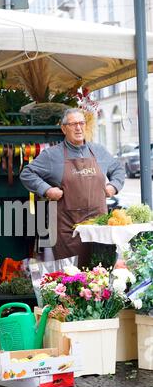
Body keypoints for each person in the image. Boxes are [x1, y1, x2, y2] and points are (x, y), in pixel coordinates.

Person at [20, 108, 125, 267]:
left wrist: (113, 186)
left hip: (98, 228)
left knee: (102, 273)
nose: (78, 128)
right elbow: (27, 173)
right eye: (73, 124)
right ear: (64, 128)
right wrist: (47, 190)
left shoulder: (99, 151)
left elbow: (118, 169)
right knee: (72, 277)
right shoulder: (52, 155)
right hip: (68, 230)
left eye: (81, 123)